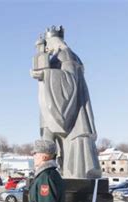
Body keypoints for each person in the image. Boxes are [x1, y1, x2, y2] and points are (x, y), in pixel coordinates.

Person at [30, 26, 101, 179]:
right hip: (50, 105)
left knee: (57, 139)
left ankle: (58, 173)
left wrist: (46, 73)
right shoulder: (54, 56)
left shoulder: (66, 54)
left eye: (47, 44)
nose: (46, 48)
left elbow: (70, 81)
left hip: (68, 109)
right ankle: (46, 173)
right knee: (47, 136)